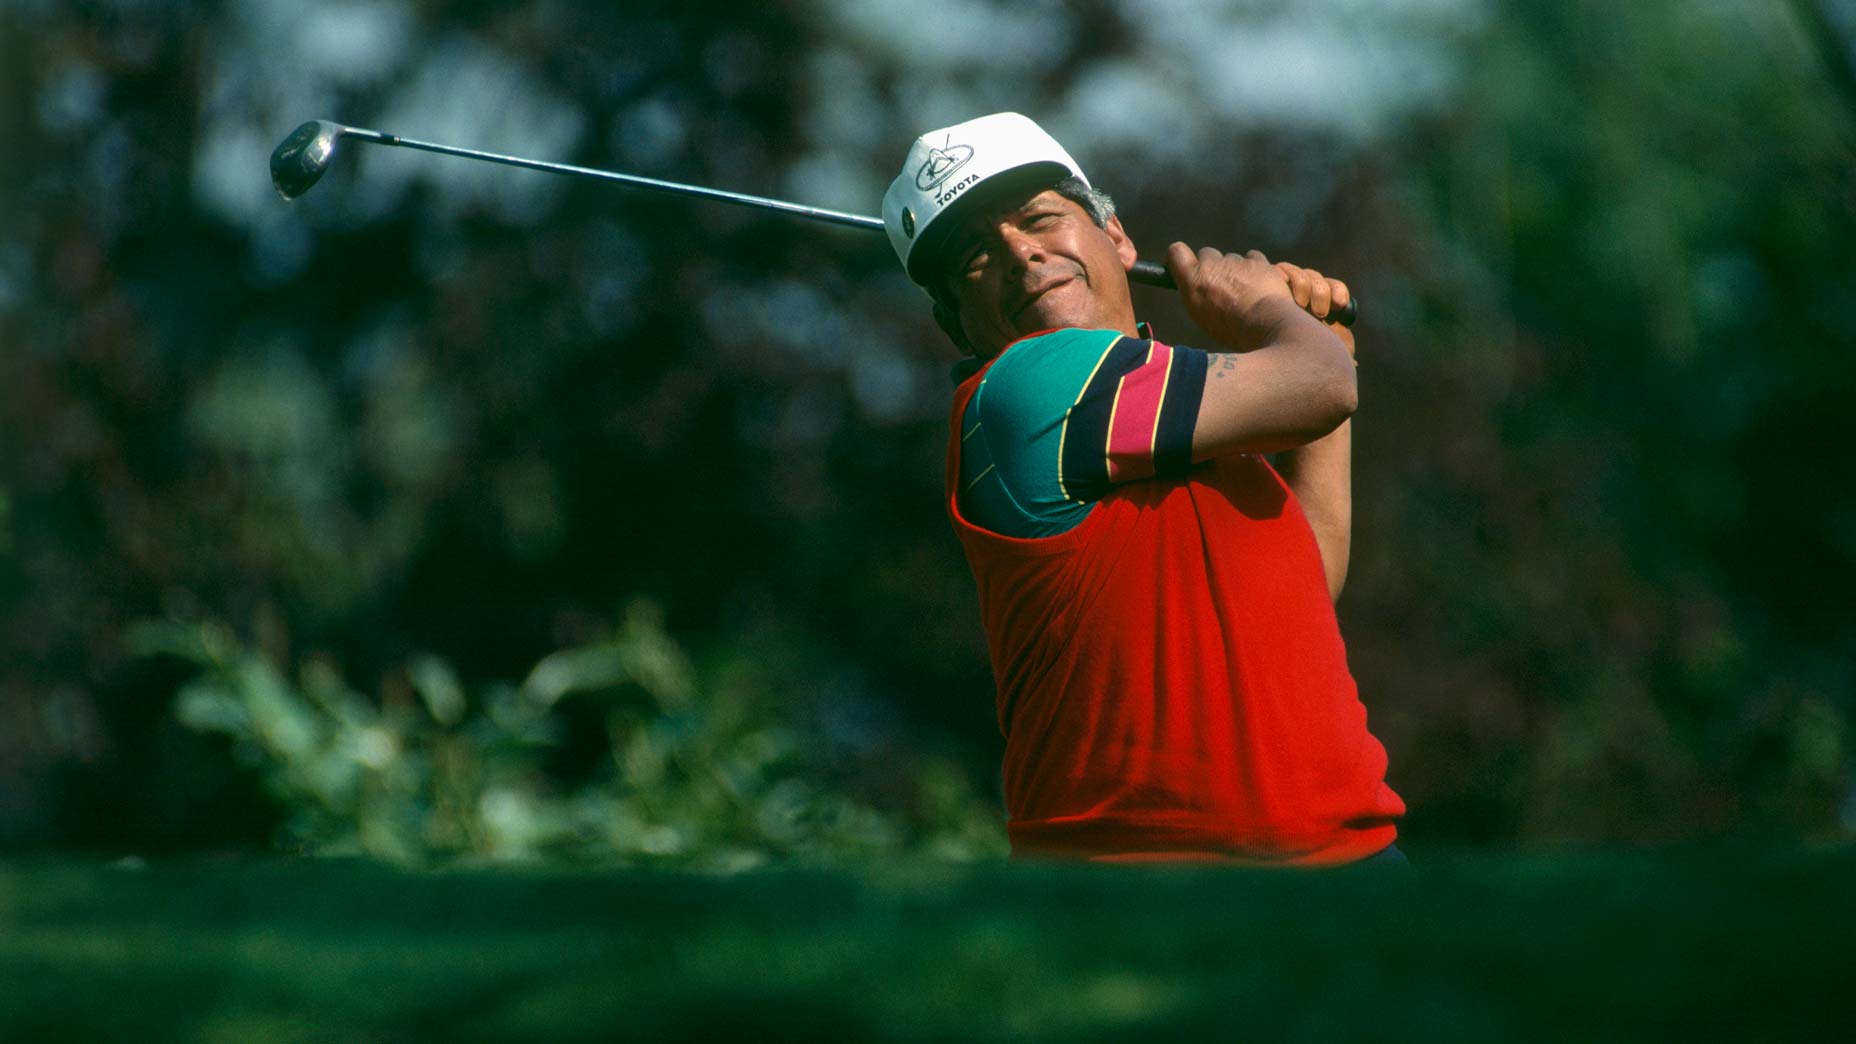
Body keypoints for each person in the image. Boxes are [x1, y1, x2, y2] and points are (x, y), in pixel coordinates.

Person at [882, 112, 1405, 865]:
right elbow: (1318, 383)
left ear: (1117, 237)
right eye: (973, 258)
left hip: (1353, 860)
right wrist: (1268, 312)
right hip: (1147, 887)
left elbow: (1301, 577)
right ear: (955, 323)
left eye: (1040, 219)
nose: (1020, 253)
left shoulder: (1184, 411)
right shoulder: (1027, 391)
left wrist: (1328, 349)